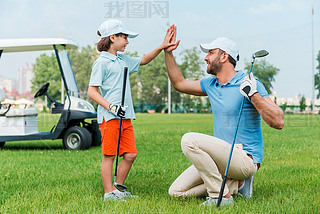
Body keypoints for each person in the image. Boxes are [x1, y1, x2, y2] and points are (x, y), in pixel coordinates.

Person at [164, 26, 284, 206]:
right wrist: (168, 53)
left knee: (189, 140)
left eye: (210, 53)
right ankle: (235, 185)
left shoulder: (248, 82)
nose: (206, 57)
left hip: (245, 158)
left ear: (224, 57)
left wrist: (253, 94)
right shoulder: (210, 84)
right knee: (176, 192)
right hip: (221, 158)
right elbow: (179, 84)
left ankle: (220, 197)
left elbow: (278, 120)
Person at [88, 19, 175, 201]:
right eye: (125, 37)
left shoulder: (123, 59)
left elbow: (143, 60)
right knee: (109, 155)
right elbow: (92, 92)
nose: (127, 41)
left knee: (131, 154)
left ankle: (117, 188)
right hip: (110, 116)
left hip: (125, 116)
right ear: (113, 37)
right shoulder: (102, 62)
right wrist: (111, 106)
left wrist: (162, 46)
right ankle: (108, 192)